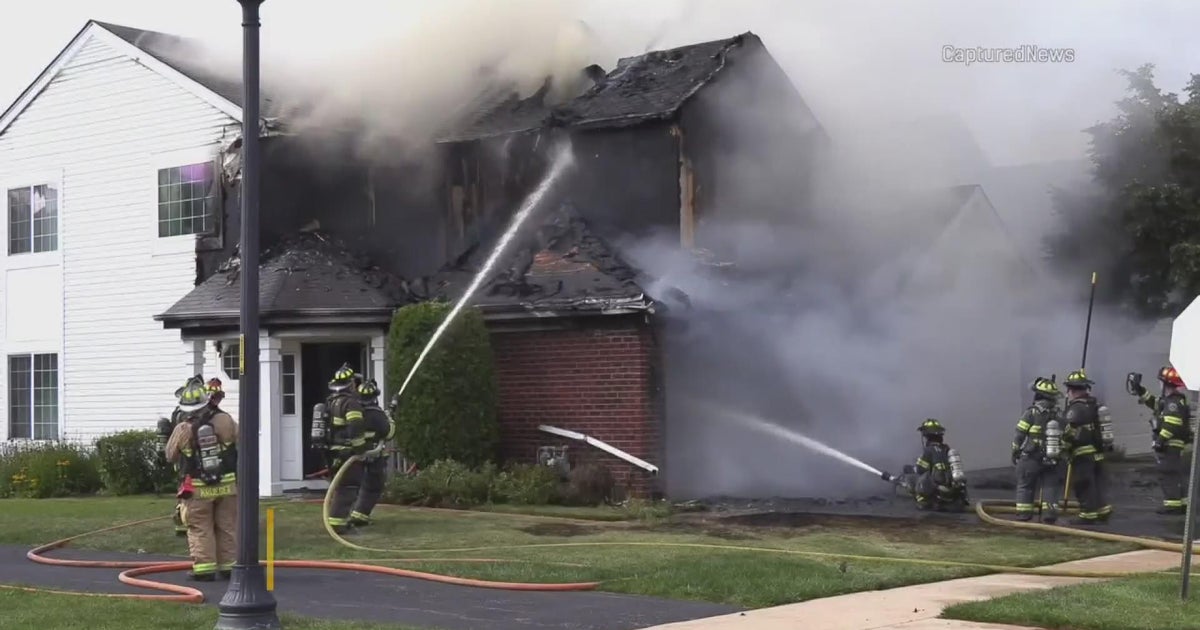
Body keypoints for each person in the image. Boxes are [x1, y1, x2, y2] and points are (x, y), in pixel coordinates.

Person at [164, 376, 239, 581]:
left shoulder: (183, 429)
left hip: (197, 489)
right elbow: (241, 440)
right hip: (228, 485)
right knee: (227, 525)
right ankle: (230, 567)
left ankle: (204, 569)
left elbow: (170, 455)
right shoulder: (226, 420)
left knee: (199, 527)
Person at [1128, 365, 1193, 515]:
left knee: (1168, 472)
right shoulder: (1169, 400)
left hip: (1170, 444)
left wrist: (1160, 440)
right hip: (1173, 444)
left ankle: (1173, 505)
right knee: (1175, 473)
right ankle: (1181, 503)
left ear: (1166, 384)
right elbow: (1153, 402)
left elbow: (1172, 423)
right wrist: (1139, 389)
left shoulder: (1172, 402)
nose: (1159, 384)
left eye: (1161, 382)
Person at [1011, 376, 1064, 523]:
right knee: (1050, 487)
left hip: (1031, 456)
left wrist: (1015, 450)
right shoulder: (1059, 414)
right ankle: (1049, 515)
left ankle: (1024, 514)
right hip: (1053, 457)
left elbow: (1019, 433)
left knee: (1025, 484)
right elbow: (1066, 434)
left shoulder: (1031, 413)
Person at [323, 363, 368, 534]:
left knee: (340, 487)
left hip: (332, 452)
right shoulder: (350, 404)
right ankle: (338, 525)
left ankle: (336, 520)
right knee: (348, 488)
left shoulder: (331, 401)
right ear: (350, 384)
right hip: (346, 452)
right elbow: (355, 427)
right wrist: (360, 450)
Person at [1060, 369, 1108, 526]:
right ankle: (1103, 511)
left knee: (1083, 485)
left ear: (1072, 390)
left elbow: (1069, 432)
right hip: (1097, 453)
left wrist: (1064, 449)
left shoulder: (1075, 409)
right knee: (1096, 484)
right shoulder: (1093, 405)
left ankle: (1088, 515)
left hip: (1082, 454)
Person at [349, 377, 395, 527]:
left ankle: (353, 514)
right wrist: (390, 418)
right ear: (375, 396)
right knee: (373, 485)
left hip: (355, 453)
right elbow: (388, 433)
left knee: (353, 485)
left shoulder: (354, 411)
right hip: (374, 455)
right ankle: (360, 515)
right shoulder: (376, 413)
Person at [912, 419, 969, 512]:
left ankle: (923, 501)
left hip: (938, 491)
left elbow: (920, 469)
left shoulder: (928, 450)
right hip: (953, 491)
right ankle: (962, 500)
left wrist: (911, 468)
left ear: (927, 436)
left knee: (919, 478)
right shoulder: (947, 449)